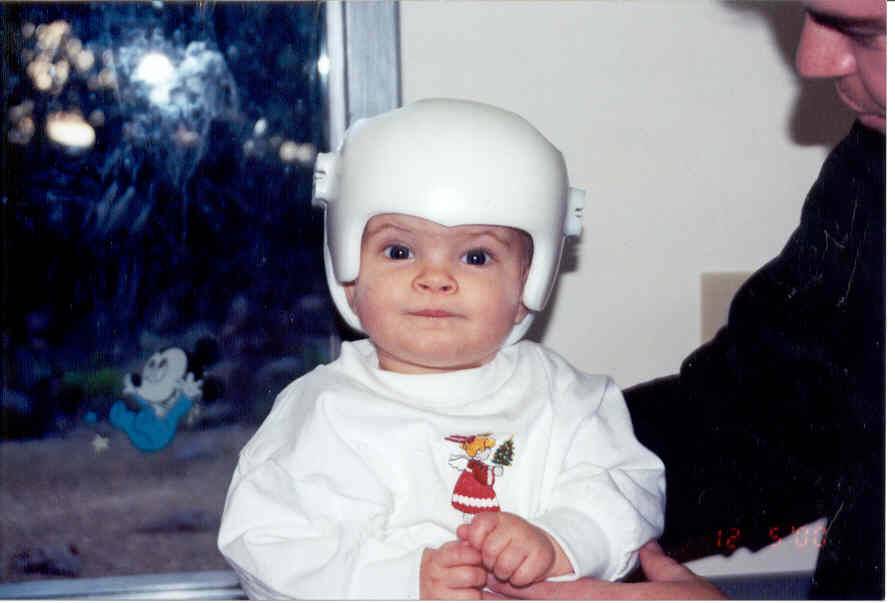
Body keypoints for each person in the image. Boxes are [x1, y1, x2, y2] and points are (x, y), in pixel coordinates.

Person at [486, 0, 885, 599]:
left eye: (867, 31)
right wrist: (519, 454)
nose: (811, 59)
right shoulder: (875, 171)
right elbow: (767, 414)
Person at [217, 98, 666, 599]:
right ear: (349, 275)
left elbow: (629, 486)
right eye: (399, 251)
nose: (435, 278)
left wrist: (564, 539)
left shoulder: (565, 398)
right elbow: (267, 545)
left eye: (476, 257)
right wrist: (402, 581)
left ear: (528, 285)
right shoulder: (318, 411)